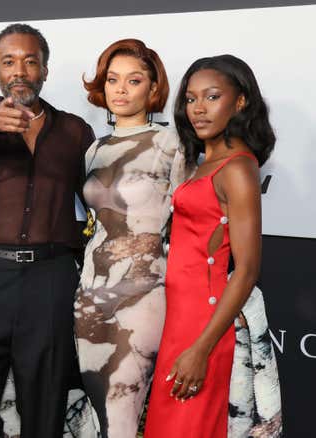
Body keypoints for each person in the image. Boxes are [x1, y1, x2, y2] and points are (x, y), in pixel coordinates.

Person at [0, 23, 95, 438]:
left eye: (31, 61)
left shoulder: (74, 132)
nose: (20, 71)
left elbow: (102, 198)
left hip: (51, 279)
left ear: (44, 70)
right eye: (9, 61)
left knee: (45, 409)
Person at [144, 55, 282, 437]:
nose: (198, 109)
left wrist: (202, 349)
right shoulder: (205, 161)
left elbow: (248, 269)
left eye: (212, 96)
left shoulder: (237, 168)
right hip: (179, 318)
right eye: (190, 99)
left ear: (240, 102)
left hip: (204, 325)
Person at [74, 39, 188, 438]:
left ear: (152, 88)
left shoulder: (172, 144)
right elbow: (88, 222)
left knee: (123, 408)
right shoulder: (93, 150)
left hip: (144, 293)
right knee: (96, 410)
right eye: (112, 80)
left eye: (133, 80)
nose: (121, 90)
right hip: (90, 291)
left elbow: (189, 223)